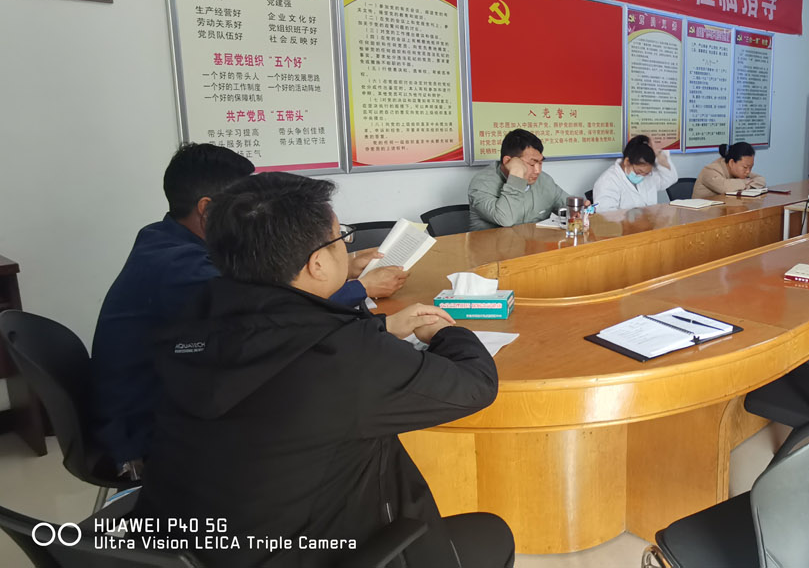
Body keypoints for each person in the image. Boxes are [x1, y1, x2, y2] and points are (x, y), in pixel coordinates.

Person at [133, 172, 513, 568]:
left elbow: (278, 343)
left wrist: (378, 328)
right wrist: (444, 333)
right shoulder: (345, 355)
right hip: (314, 554)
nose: (346, 247)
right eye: (341, 239)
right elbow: (475, 385)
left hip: (184, 552)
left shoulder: (188, 325)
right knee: (491, 533)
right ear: (317, 264)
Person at [90, 144, 406, 474]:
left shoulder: (166, 237)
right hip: (145, 433)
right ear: (207, 209)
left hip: (174, 397)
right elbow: (277, 316)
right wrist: (359, 289)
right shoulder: (182, 269)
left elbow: (266, 292)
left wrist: (340, 268)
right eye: (244, 205)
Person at [468, 128, 573, 231]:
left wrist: (577, 211)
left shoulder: (544, 180)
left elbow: (571, 207)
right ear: (508, 161)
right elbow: (506, 219)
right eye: (532, 164)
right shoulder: (482, 184)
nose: (538, 170)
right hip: (493, 242)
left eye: (540, 163)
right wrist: (516, 175)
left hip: (535, 241)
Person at [592, 135, 678, 211]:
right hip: (623, 224)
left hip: (649, 222)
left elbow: (670, 179)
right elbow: (606, 215)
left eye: (646, 173)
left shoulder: (647, 177)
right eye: (639, 171)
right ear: (627, 162)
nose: (642, 176)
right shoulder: (608, 181)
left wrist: (659, 156)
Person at [692, 142, 766, 198]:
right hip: (703, 212)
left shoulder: (741, 173)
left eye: (751, 167)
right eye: (745, 167)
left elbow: (761, 180)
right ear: (731, 163)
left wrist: (746, 185)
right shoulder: (710, 170)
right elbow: (724, 187)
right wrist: (745, 182)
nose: (748, 171)